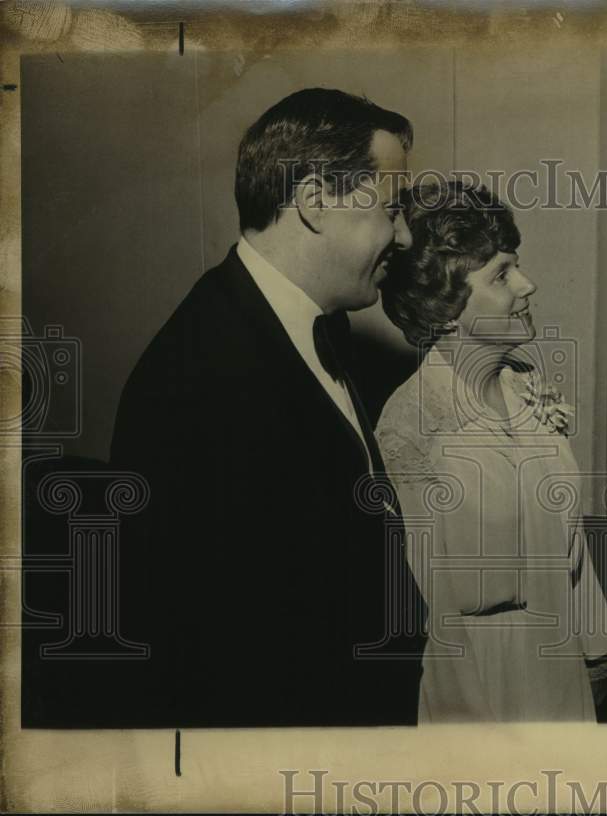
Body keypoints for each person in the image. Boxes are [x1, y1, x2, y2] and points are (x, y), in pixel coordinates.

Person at [110, 88, 425, 726]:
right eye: (392, 211)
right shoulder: (201, 374)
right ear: (314, 202)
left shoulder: (314, 324)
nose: (405, 234)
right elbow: (220, 654)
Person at [375, 182, 607, 721]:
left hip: (558, 660)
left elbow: (567, 535)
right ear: (445, 306)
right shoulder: (409, 423)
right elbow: (431, 604)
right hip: (481, 681)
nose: (528, 285)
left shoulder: (524, 384)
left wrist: (596, 651)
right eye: (502, 274)